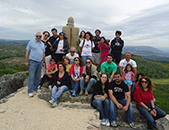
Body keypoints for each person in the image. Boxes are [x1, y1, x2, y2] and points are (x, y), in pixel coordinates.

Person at [25, 32, 45, 97]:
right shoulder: (31, 43)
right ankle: (30, 91)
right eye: (37, 36)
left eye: (40, 36)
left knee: (37, 76)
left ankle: (36, 88)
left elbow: (43, 53)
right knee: (31, 77)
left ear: (41, 37)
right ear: (35, 36)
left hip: (40, 62)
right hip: (33, 62)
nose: (38, 37)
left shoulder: (42, 44)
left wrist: (43, 61)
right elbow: (27, 52)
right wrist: (26, 61)